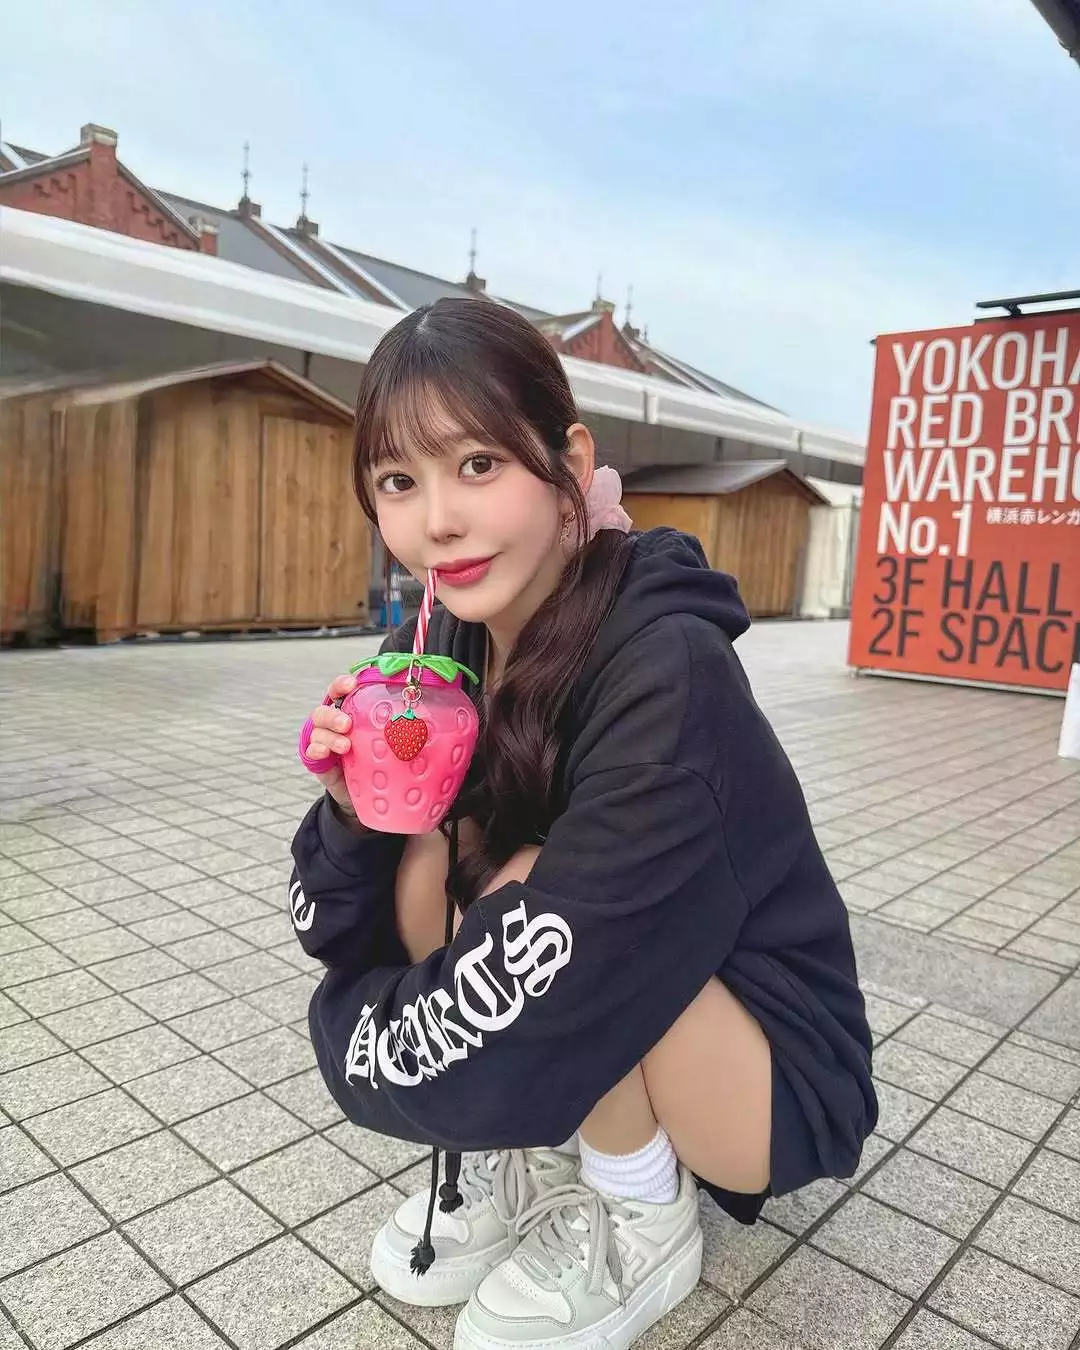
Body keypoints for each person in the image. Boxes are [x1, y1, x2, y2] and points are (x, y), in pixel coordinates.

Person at [289, 297, 877, 1350]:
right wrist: (353, 806)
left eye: (478, 464)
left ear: (569, 463)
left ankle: (639, 1209)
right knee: (434, 845)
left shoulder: (666, 668)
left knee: (535, 895)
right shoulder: (442, 649)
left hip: (760, 1061)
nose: (438, 521)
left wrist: (352, 1029)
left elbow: (573, 948)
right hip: (593, 971)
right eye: (399, 481)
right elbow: (342, 925)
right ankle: (542, 1146)